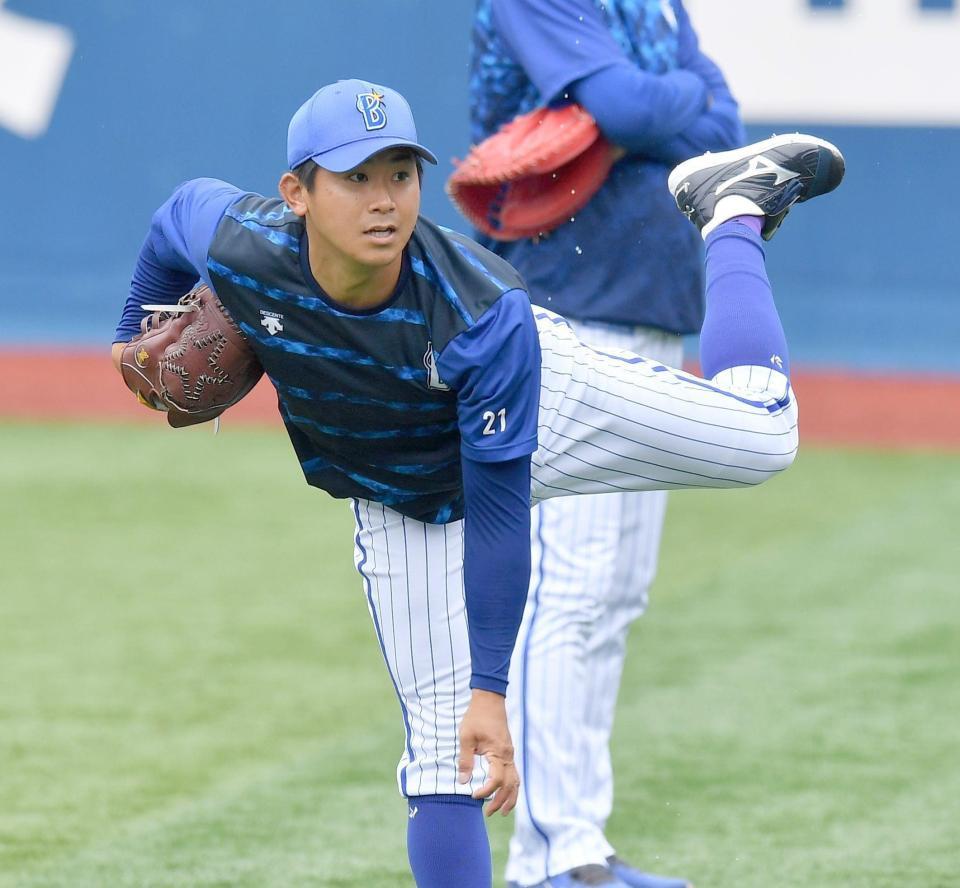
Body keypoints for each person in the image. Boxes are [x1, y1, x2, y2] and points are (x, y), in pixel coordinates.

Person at [110, 78, 843, 888]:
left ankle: (733, 209)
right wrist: (125, 335)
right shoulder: (243, 244)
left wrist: (491, 689)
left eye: (400, 174)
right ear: (298, 193)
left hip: (542, 405)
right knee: (437, 755)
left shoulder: (473, 316)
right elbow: (174, 213)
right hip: (396, 491)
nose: (384, 200)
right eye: (356, 178)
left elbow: (498, 516)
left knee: (768, 436)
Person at [466, 2, 746, 885]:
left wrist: (637, 112)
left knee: (617, 595)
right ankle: (550, 857)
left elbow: (725, 124)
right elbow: (635, 110)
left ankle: (580, 841)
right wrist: (651, 108)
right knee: (576, 589)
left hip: (654, 309)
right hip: (569, 312)